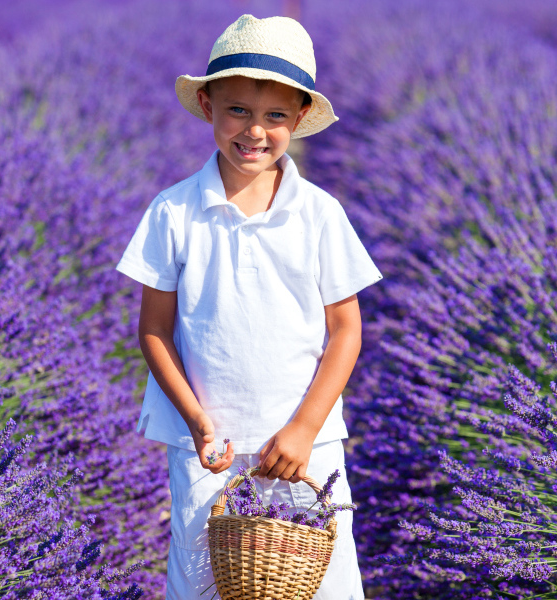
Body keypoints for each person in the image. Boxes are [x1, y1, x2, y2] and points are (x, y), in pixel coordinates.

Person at [115, 13, 381, 600]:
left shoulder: (318, 214)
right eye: (238, 110)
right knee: (206, 582)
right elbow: (154, 331)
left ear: (300, 120)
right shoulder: (173, 212)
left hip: (305, 447)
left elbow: (346, 332)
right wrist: (197, 421)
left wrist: (305, 428)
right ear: (208, 106)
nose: (254, 131)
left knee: (321, 583)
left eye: (275, 116)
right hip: (208, 448)